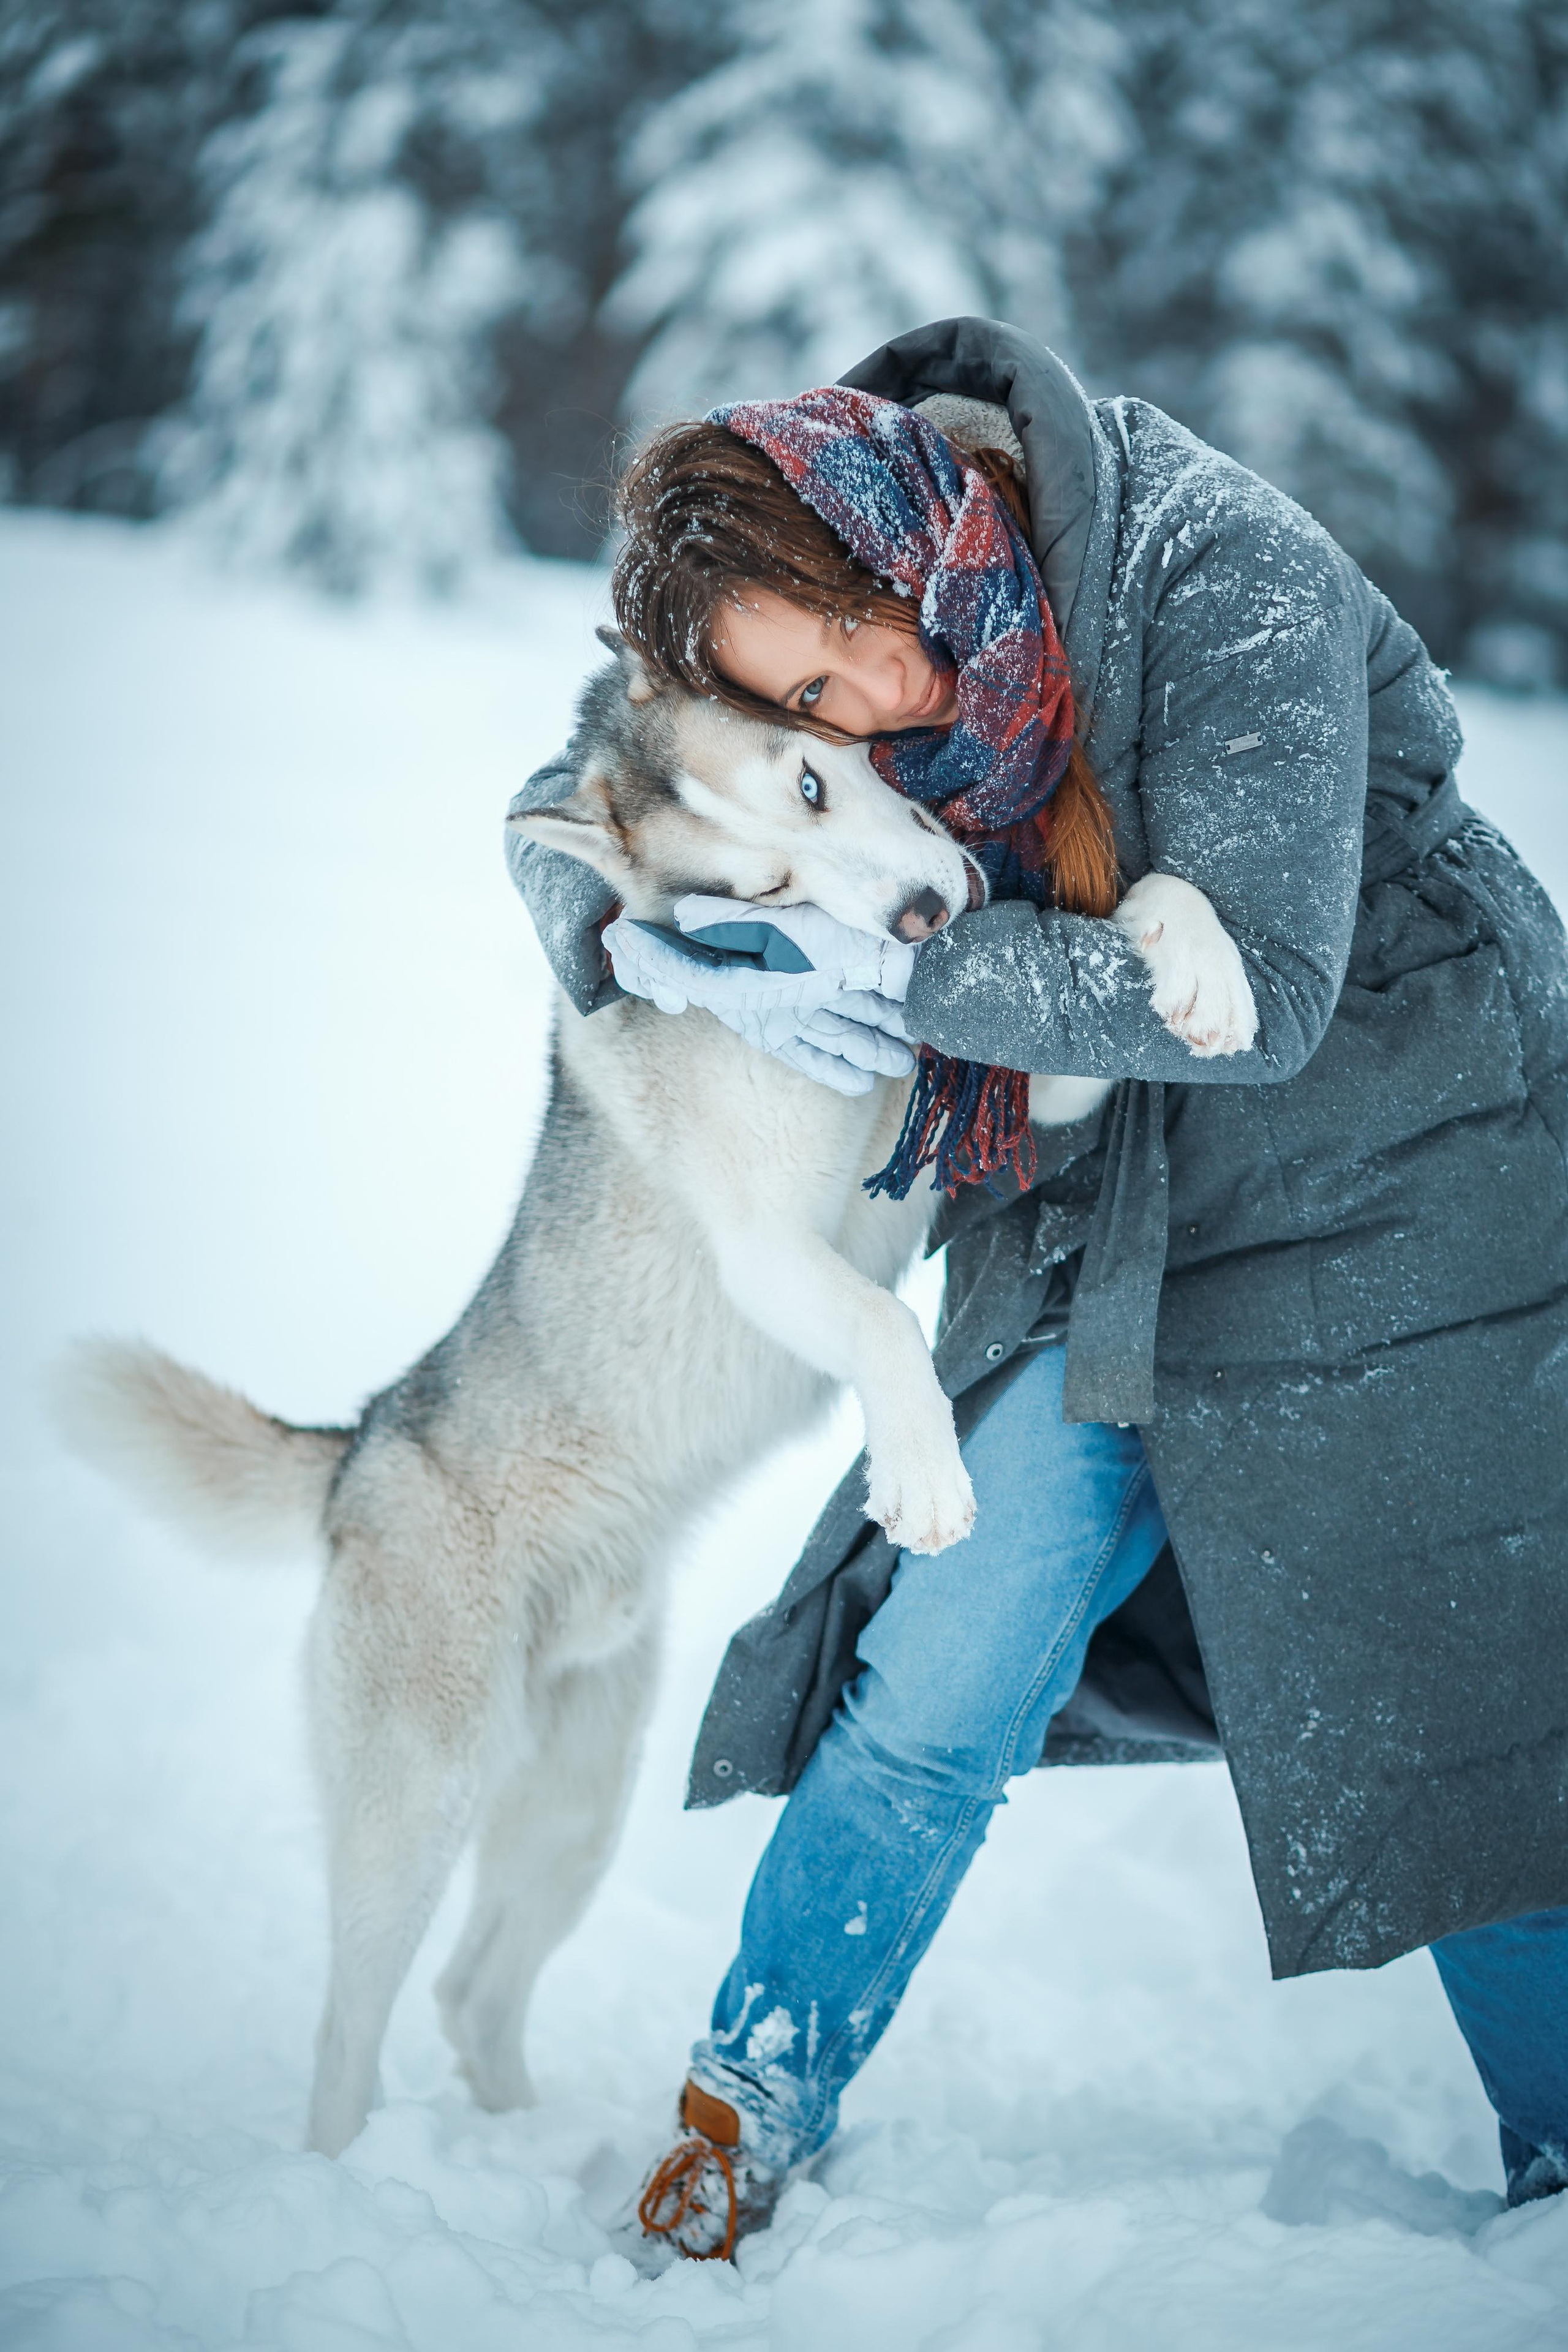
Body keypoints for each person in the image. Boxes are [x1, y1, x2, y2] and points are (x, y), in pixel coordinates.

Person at [507, 318, 1568, 2257]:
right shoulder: (814, 632)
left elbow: (1264, 999)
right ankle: (752, 2086)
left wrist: (896, 974)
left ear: (902, 525)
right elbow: (615, 785)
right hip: (1095, 1211)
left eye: (856, 641)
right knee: (950, 1656)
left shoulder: (1221, 571)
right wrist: (618, 920)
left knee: (1448, 1714)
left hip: (1392, 1186)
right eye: (808, 699)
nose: (864, 705)